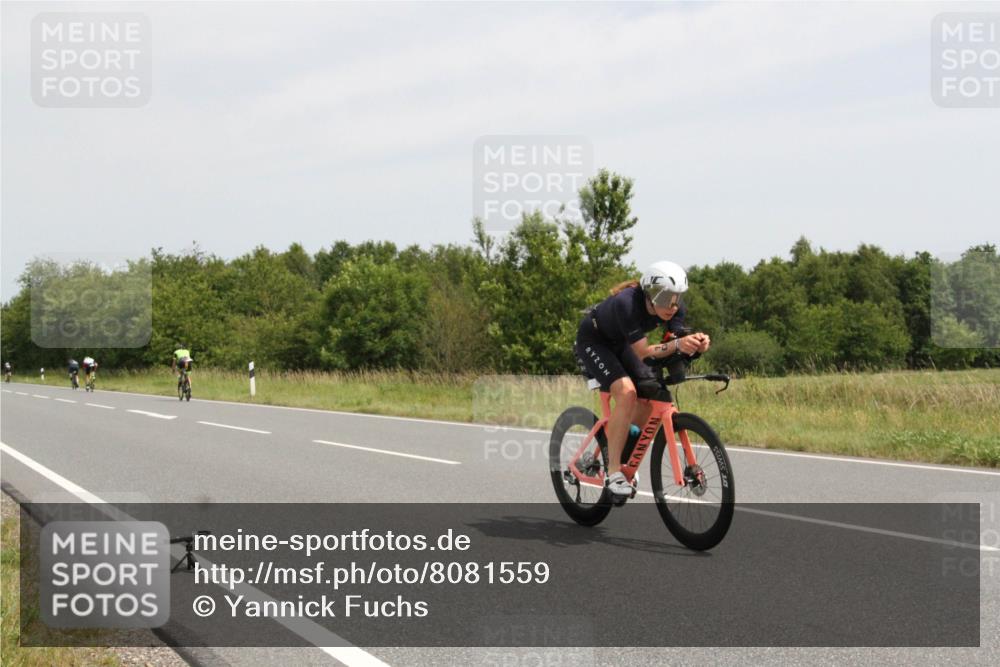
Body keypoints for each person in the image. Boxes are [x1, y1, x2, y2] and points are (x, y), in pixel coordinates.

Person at [573, 261, 711, 499]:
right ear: (650, 294)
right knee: (626, 393)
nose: (673, 304)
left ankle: (620, 444)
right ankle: (613, 471)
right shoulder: (626, 303)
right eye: (666, 297)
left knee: (652, 393)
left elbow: (675, 337)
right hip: (594, 342)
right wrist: (677, 344)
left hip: (623, 343)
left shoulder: (675, 306)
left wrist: (696, 342)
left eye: (677, 297)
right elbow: (643, 352)